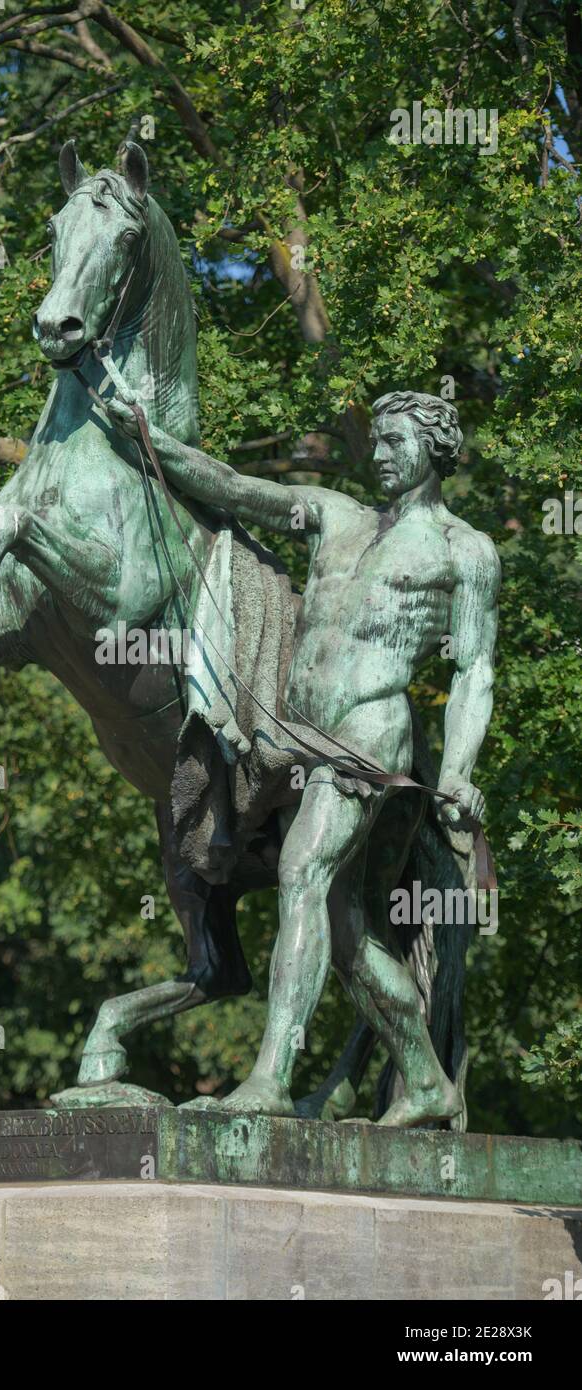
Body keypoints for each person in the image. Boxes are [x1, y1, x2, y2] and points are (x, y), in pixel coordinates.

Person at [107, 390, 500, 1123]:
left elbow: (474, 669)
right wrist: (146, 435)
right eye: (375, 442)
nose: (379, 457)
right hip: (299, 741)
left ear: (435, 446)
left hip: (371, 732)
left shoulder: (465, 551)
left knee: (302, 873)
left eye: (395, 443)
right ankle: (425, 1080)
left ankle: (270, 1079)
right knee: (346, 934)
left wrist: (457, 772)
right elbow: (232, 487)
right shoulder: (334, 515)